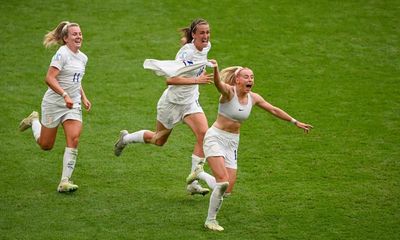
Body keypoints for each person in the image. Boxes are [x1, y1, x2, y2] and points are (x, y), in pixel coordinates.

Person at [187, 61, 313, 231]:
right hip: (215, 138)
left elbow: (273, 109)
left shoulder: (253, 98)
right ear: (237, 79)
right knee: (222, 182)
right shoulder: (228, 93)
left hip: (232, 142)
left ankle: (199, 173)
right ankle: (211, 220)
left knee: (227, 189)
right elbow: (217, 84)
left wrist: (295, 122)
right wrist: (216, 69)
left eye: (252, 77)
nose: (250, 80)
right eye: (246, 76)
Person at [114, 18, 215, 195]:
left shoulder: (206, 46)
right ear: (194, 35)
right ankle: (126, 139)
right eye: (202, 33)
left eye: (207, 32)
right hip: (171, 104)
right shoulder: (186, 54)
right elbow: (170, 79)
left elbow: (193, 50)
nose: (206, 36)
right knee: (158, 140)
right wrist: (196, 80)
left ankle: (193, 183)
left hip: (190, 102)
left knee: (204, 134)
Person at [19, 21, 91, 193]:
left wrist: (83, 96)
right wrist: (64, 95)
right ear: (65, 38)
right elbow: (49, 78)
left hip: (72, 104)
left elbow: (76, 80)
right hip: (54, 103)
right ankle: (34, 120)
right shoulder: (62, 54)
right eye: (74, 34)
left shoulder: (83, 58)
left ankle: (64, 181)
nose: (78, 36)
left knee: (74, 138)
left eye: (80, 33)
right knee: (46, 145)